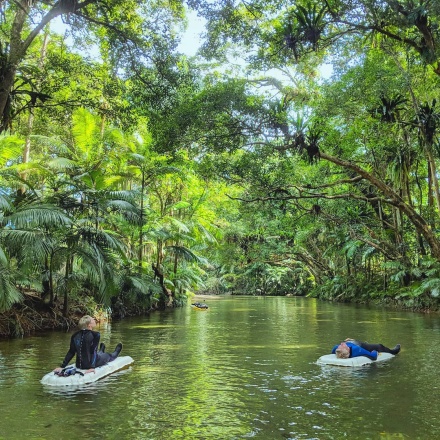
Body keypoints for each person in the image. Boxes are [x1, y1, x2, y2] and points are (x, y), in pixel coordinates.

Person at [54, 315, 122, 373]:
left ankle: (101, 350)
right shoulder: (95, 335)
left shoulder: (74, 335)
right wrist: (92, 367)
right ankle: (115, 352)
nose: (94, 319)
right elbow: (93, 351)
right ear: (89, 325)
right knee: (108, 355)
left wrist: (62, 366)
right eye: (92, 319)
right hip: (90, 364)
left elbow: (71, 352)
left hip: (79, 365)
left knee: (98, 354)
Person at [331, 338, 401, 360]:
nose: (341, 343)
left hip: (352, 342)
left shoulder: (336, 348)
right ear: (347, 350)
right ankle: (394, 351)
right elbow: (373, 356)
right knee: (379, 346)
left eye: (341, 345)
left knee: (348, 340)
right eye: (342, 345)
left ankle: (351, 340)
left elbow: (333, 352)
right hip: (360, 345)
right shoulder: (357, 350)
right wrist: (374, 352)